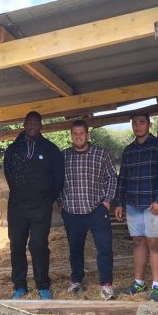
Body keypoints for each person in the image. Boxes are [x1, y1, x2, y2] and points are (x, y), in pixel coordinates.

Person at [4, 111, 64, 300]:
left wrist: (47, 198)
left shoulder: (50, 149)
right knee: (17, 246)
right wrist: (20, 193)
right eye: (29, 122)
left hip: (41, 207)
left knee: (38, 245)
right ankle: (20, 285)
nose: (32, 126)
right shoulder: (13, 149)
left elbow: (58, 178)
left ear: (40, 126)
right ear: (24, 124)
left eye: (36, 123)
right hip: (17, 207)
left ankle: (43, 285)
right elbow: (8, 173)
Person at [60, 120, 118, 300]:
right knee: (75, 249)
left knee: (104, 248)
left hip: (96, 210)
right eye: (75, 133)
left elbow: (112, 178)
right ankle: (76, 281)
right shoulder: (63, 156)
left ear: (87, 134)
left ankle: (106, 284)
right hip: (72, 211)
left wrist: (107, 201)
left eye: (81, 133)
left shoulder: (100, 154)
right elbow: (56, 181)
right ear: (71, 136)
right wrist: (61, 203)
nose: (78, 136)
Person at [113, 113, 158, 302]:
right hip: (133, 204)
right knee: (138, 242)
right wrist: (119, 202)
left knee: (155, 243)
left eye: (141, 122)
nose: (138, 126)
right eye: (134, 123)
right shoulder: (128, 150)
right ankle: (139, 282)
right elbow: (123, 179)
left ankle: (157, 286)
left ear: (149, 124)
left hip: (152, 205)